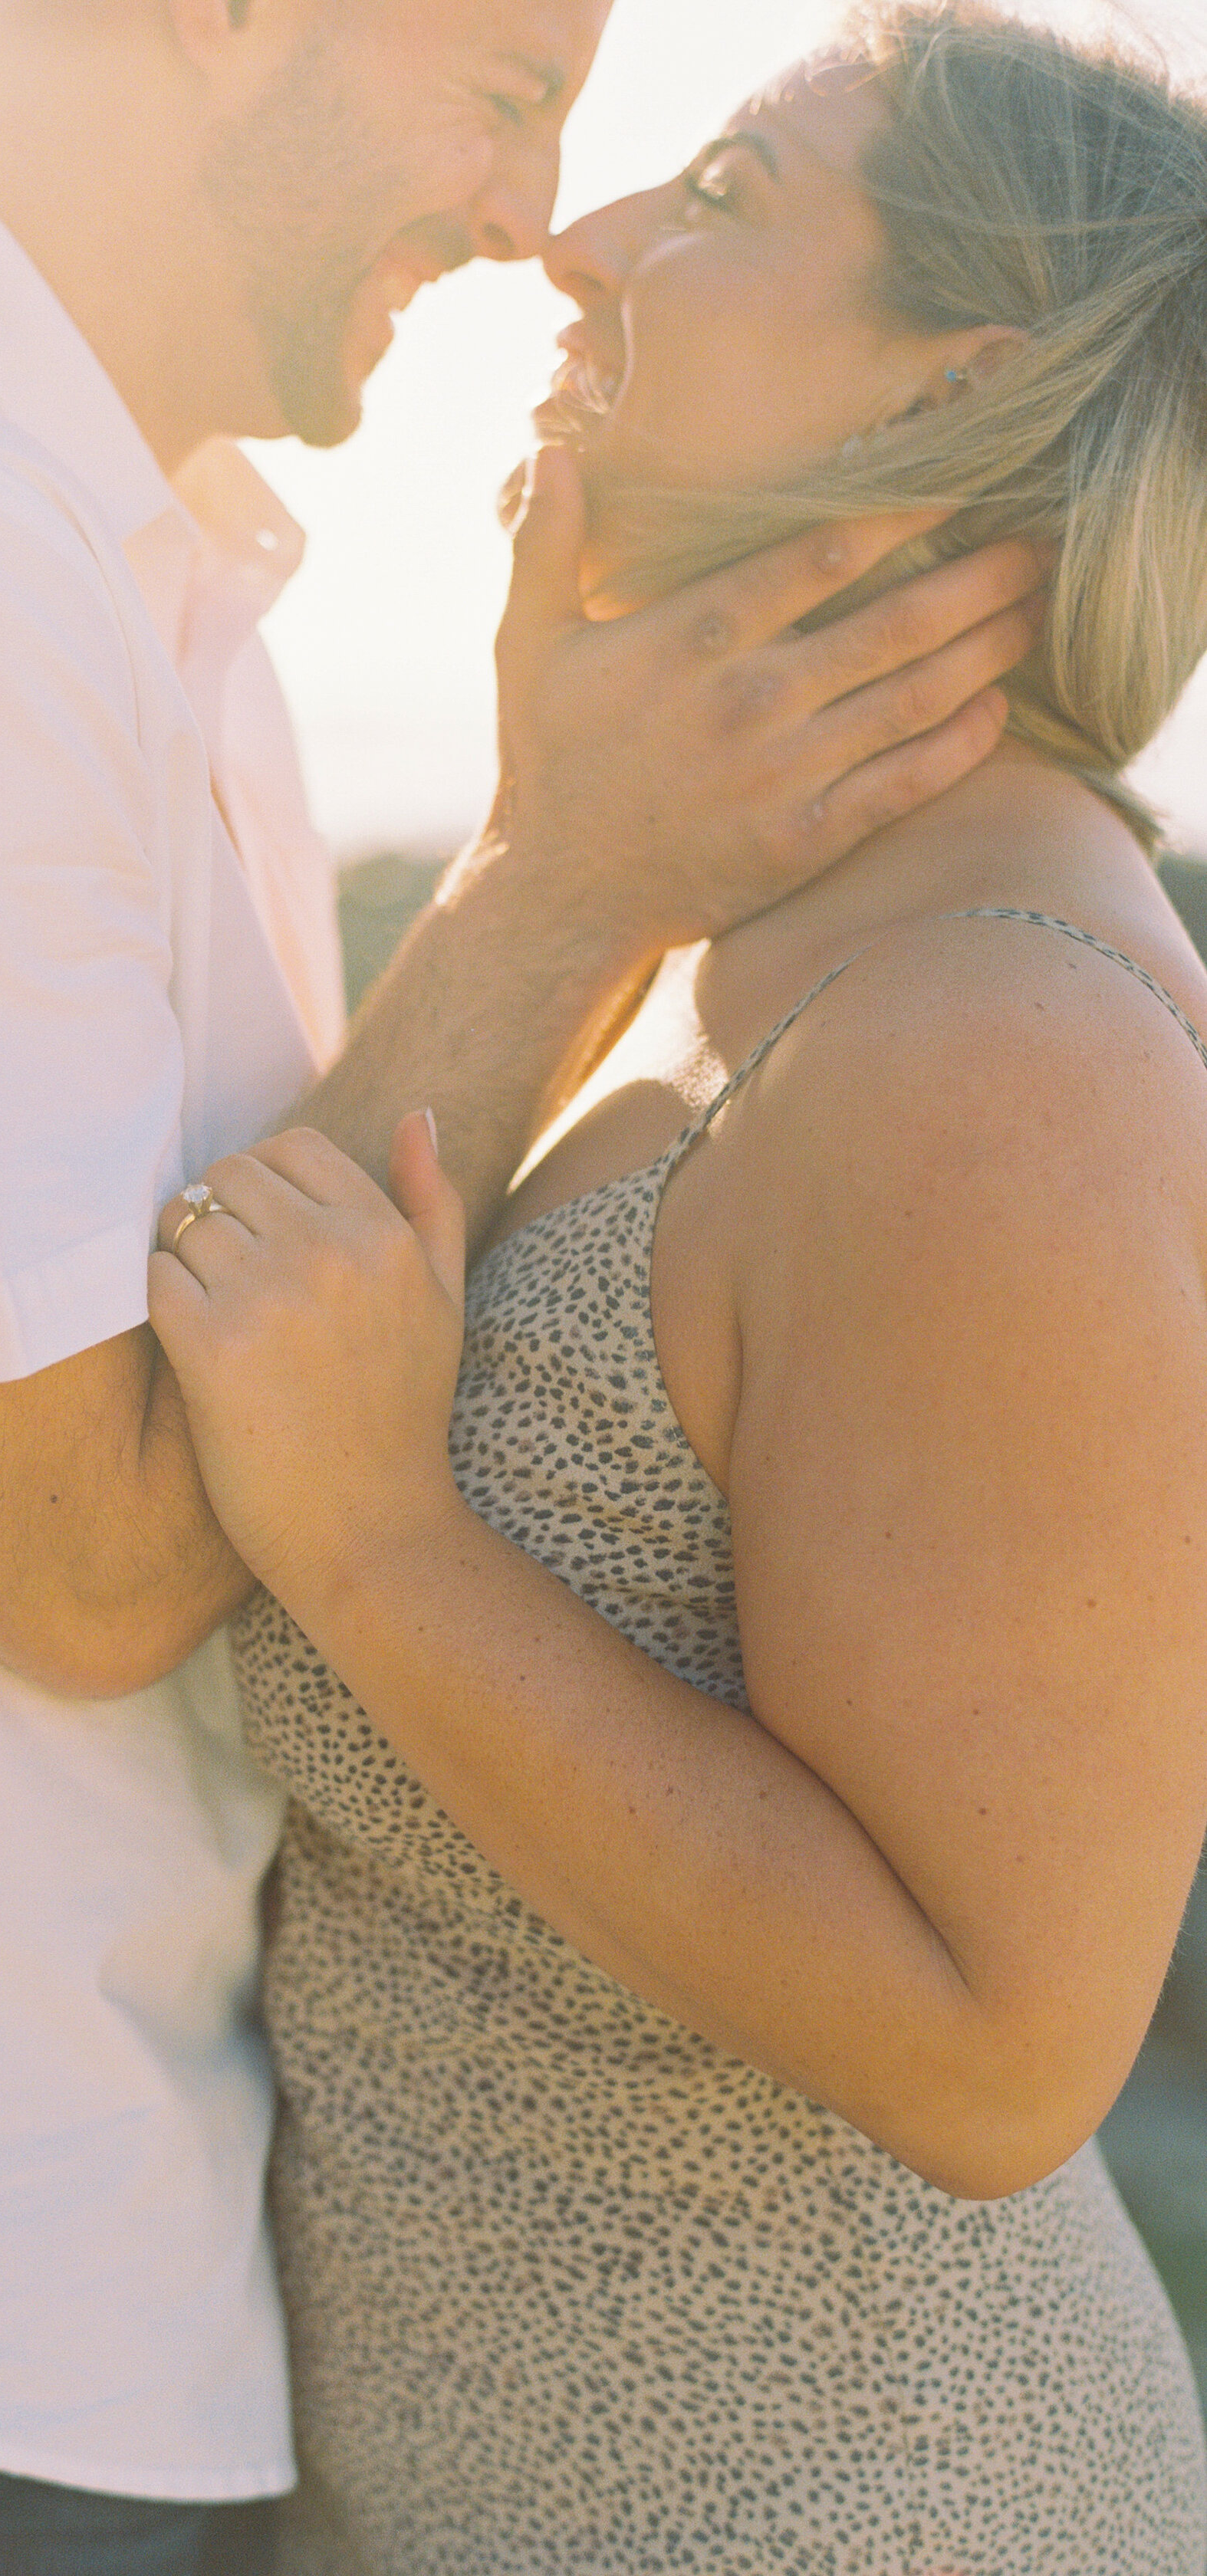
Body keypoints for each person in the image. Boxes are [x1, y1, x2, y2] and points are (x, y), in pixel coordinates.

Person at [0, 0, 1045, 2568]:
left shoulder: (103, 554)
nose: (521, 217)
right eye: (498, 83)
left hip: (23, 2249)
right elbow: (81, 1551)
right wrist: (571, 882)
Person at [152, 7, 1207, 2568]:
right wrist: (557, 844)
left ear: (952, 379)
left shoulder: (1003, 1052)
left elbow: (996, 2050)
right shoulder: (784, 966)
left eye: (724, 200)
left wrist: (383, 1550)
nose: (583, 237)